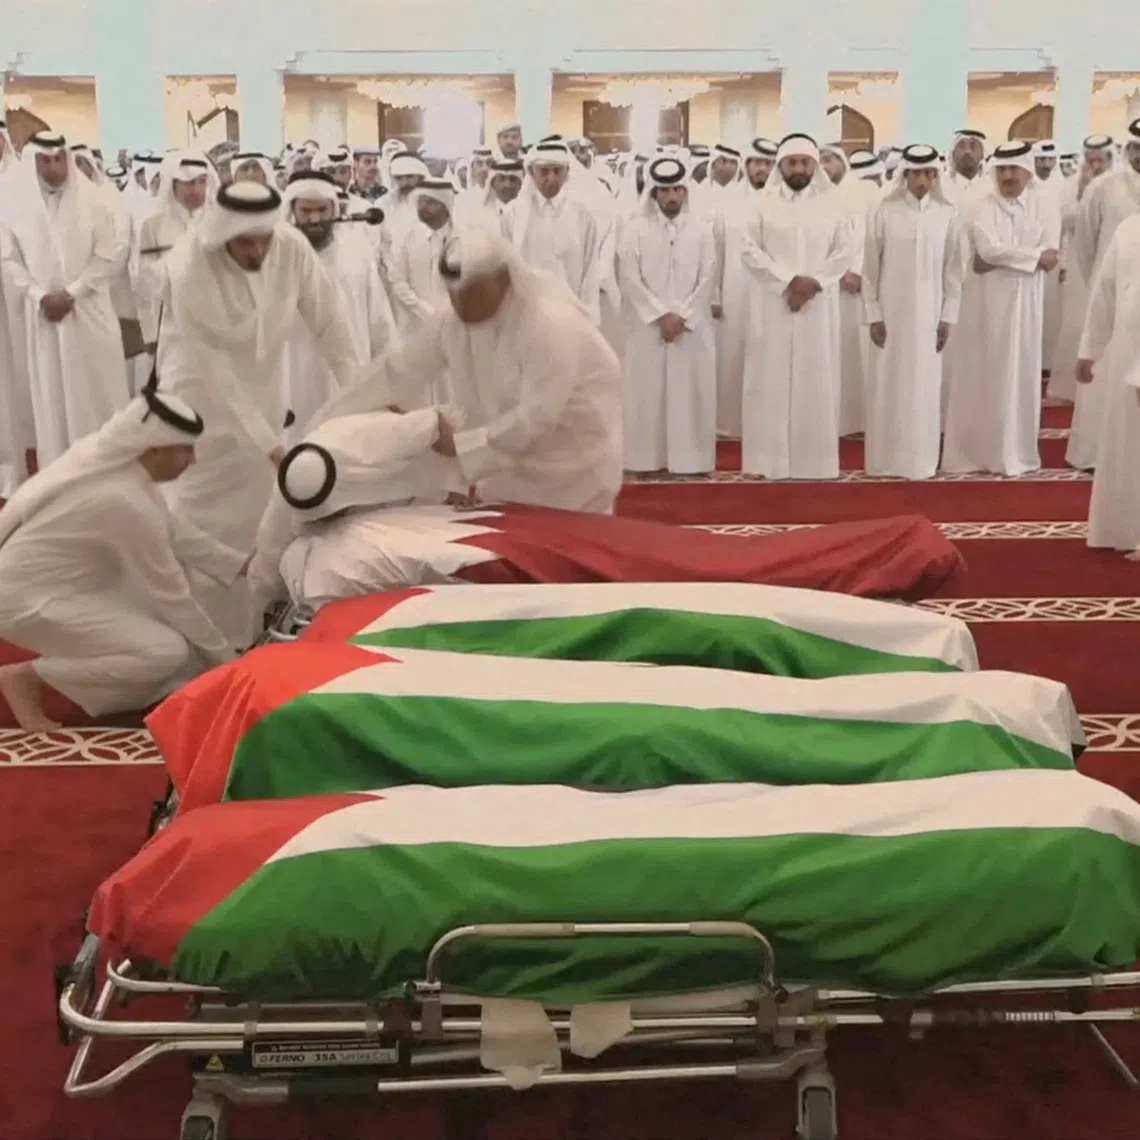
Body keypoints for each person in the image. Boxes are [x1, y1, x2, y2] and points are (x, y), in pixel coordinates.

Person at [155, 180, 361, 648]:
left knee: (260, 519)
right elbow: (214, 371)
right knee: (207, 519)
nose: (258, 250)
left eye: (263, 237)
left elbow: (331, 324)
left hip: (264, 394)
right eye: (245, 241)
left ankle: (246, 635)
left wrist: (360, 392)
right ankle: (198, 643)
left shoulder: (288, 247)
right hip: (199, 405)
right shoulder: (189, 266)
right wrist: (270, 445)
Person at [312, 227, 623, 514]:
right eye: (452, 293)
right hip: (506, 473)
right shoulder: (452, 321)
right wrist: (330, 416)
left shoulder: (550, 323)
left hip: (575, 469)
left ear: (503, 279)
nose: (460, 302)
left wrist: (461, 446)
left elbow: (537, 417)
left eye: (471, 292)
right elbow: (398, 372)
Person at [0, 391, 237, 730]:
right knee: (166, 652)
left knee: (174, 636)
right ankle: (29, 677)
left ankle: (144, 691)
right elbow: (172, 596)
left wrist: (237, 563)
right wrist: (228, 664)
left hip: (59, 586)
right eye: (185, 449)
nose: (193, 460)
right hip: (27, 603)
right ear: (153, 448)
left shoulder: (122, 472)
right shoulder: (123, 499)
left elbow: (173, 532)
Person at [246, 406, 469, 609]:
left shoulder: (368, 438)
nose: (325, 520)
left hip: (437, 475)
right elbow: (265, 571)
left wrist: (460, 482)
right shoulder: (288, 494)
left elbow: (437, 426)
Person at [0, 131, 130, 468]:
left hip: (89, 311)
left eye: (59, 158)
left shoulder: (94, 201)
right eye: (45, 160)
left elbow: (107, 256)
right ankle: (59, 476)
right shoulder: (13, 204)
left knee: (97, 395)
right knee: (53, 398)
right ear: (33, 162)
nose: (53, 167)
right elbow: (8, 258)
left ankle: (106, 470)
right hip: (43, 315)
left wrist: (71, 293)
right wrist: (39, 295)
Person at [942, 140, 1061, 476]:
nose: (1007, 176)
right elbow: (987, 250)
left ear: (1027, 170)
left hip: (1027, 306)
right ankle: (977, 454)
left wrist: (1018, 258)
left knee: (1020, 375)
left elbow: (1051, 256)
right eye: (1002, 170)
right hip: (984, 306)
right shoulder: (980, 204)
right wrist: (1032, 257)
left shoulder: (1045, 204)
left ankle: (1017, 453)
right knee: (983, 374)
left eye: (1014, 169)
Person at [739, 133, 852, 479]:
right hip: (774, 306)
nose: (799, 168)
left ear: (815, 166)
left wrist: (812, 282)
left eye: (805, 162)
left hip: (817, 306)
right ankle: (767, 463)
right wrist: (789, 280)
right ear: (781, 166)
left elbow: (845, 252)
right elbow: (748, 250)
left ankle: (814, 464)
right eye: (792, 162)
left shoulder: (834, 205)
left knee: (816, 380)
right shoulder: (761, 204)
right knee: (769, 382)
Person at [862, 144, 962, 479]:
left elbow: (952, 270)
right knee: (889, 383)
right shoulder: (884, 210)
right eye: (915, 173)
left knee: (925, 385)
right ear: (904, 174)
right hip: (891, 315)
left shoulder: (947, 213)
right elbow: (869, 268)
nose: (921, 180)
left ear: (936, 175)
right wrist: (873, 313)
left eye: (928, 173)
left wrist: (947, 316)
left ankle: (921, 462)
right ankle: (885, 461)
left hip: (931, 316)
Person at [618, 155, 717, 474]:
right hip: (649, 328)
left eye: (677, 189)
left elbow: (709, 277)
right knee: (646, 394)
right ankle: (646, 458)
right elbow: (629, 277)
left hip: (691, 328)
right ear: (653, 193)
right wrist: (660, 315)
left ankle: (692, 460)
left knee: (690, 394)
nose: (671, 196)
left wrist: (682, 316)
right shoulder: (634, 231)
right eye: (664, 190)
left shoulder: (702, 231)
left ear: (685, 192)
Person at [282, 173, 395, 444]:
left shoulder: (357, 250)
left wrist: (387, 379)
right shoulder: (277, 256)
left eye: (322, 210)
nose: (314, 218)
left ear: (335, 209)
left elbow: (378, 320)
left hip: (350, 373)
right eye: (306, 211)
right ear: (292, 211)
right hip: (293, 376)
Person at [1068, 120, 1140, 468]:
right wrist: (1102, 283)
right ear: (1129, 151)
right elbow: (1084, 245)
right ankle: (1096, 455)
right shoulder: (1103, 187)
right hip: (1112, 301)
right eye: (1137, 148)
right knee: (1104, 378)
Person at [1076, 215, 1140, 552]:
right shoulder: (1127, 229)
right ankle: (1127, 531)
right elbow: (1105, 293)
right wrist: (1090, 350)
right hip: (1127, 351)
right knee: (1128, 442)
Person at [503, 137, 602, 321]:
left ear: (567, 173)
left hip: (571, 315)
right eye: (544, 171)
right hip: (526, 315)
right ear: (532, 173)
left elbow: (590, 273)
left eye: (557, 171)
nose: (551, 178)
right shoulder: (512, 215)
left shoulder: (582, 216)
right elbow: (506, 270)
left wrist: (588, 316)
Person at [1051, 134, 1114, 407]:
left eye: (1101, 160)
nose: (1097, 165)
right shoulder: (1072, 185)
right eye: (1092, 161)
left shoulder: (1118, 186)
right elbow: (1066, 220)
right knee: (1078, 324)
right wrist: (1082, 194)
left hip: (1115, 268)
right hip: (1084, 265)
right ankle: (1072, 386)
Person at [389, 178, 455, 331]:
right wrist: (423, 310)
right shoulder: (407, 237)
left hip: (453, 325)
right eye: (420, 201)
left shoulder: (462, 238)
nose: (422, 207)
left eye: (430, 202)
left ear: (445, 206)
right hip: (414, 324)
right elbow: (397, 281)